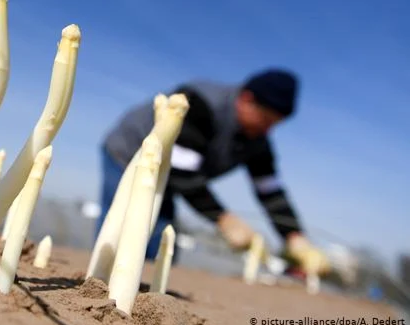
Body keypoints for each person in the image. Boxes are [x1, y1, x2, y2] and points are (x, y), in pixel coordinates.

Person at [97, 67, 329, 275]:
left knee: (161, 242)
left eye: (274, 124)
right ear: (247, 99)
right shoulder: (200, 102)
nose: (267, 130)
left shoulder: (258, 141)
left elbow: (270, 190)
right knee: (124, 226)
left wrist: (295, 237)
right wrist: (224, 219)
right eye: (265, 119)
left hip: (168, 176)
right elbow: (183, 171)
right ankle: (99, 285)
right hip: (128, 156)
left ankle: (142, 298)